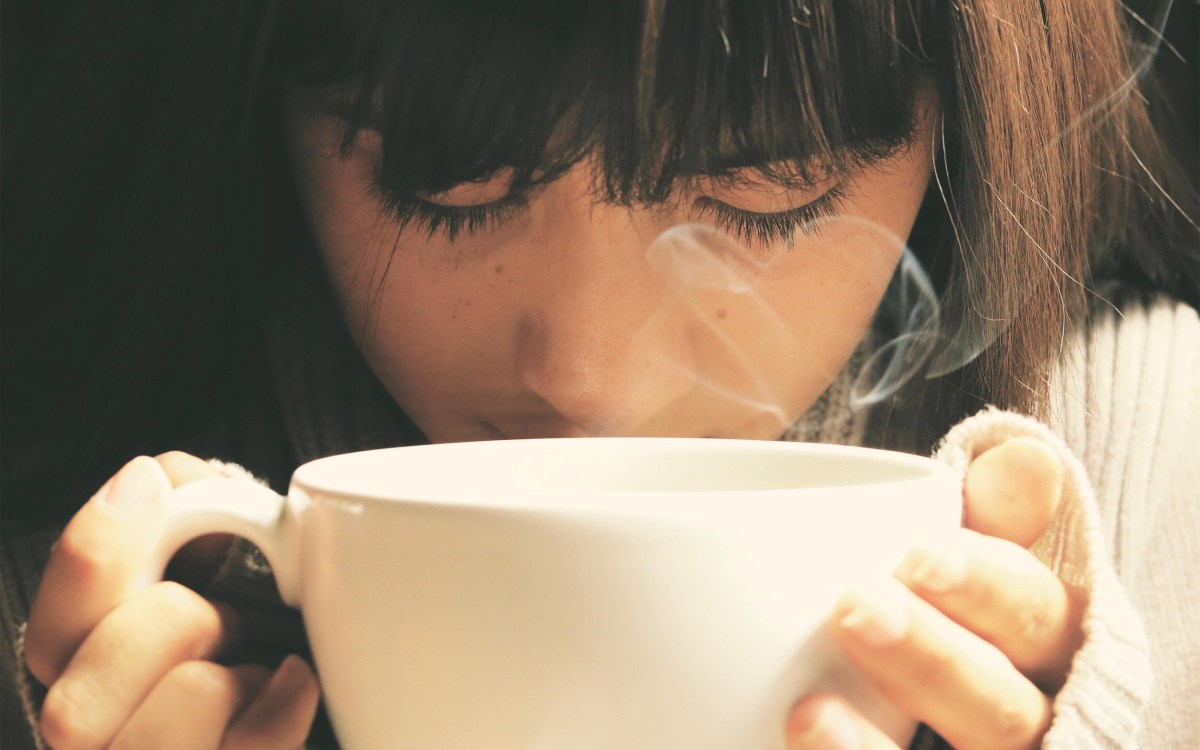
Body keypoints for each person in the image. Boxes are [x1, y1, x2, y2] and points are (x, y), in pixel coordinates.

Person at [2, 0, 1197, 748]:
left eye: (761, 191)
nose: (584, 377)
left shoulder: (1157, 475)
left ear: (961, 127)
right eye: (446, 184)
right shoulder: (90, 564)